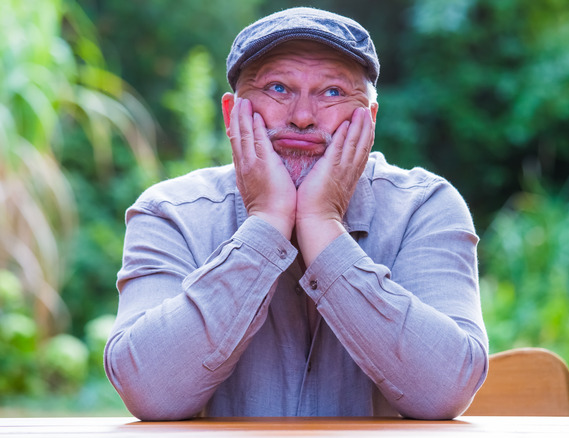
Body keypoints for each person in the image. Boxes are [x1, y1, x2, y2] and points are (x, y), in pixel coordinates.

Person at [104, 7, 488, 421]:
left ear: (370, 120)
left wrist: (322, 224)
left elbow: (446, 391)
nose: (302, 117)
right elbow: (149, 393)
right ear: (233, 114)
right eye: (278, 88)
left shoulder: (425, 207)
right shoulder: (170, 213)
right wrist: (267, 221)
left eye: (332, 93)